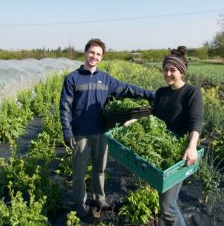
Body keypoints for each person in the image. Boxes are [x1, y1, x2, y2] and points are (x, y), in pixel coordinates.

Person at [59, 38, 154, 218]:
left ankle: (99, 199)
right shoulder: (72, 78)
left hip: (102, 132)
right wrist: (67, 130)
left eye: (98, 54)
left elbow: (127, 89)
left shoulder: (106, 79)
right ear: (85, 52)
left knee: (99, 169)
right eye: (92, 52)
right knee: (79, 172)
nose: (94, 56)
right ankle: (80, 203)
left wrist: (151, 94)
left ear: (102, 58)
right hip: (80, 134)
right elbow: (65, 106)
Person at [152, 46, 204, 226]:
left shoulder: (191, 92)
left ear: (181, 71)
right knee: (162, 199)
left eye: (172, 70)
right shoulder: (160, 93)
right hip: (159, 151)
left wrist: (192, 146)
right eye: (165, 69)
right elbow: (153, 120)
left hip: (177, 155)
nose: (168, 73)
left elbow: (196, 121)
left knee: (168, 205)